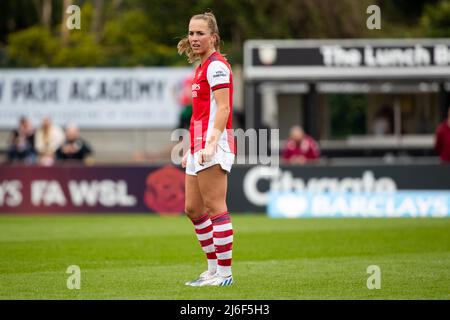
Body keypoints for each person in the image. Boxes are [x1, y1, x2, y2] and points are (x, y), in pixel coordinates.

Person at [178, 12, 235, 286]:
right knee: (193, 209)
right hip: (198, 142)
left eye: (200, 33)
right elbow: (200, 112)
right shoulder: (201, 67)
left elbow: (223, 108)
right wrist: (192, 146)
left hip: (214, 142)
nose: (194, 38)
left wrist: (211, 143)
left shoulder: (216, 66)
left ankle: (225, 275)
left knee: (215, 207)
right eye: (191, 33)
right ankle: (212, 270)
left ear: (213, 37)